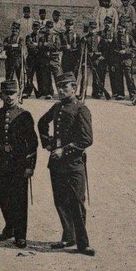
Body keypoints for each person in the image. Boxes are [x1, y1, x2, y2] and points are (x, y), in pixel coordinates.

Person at [38, 72, 94, 256]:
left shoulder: (81, 109)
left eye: (64, 87)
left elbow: (86, 140)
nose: (60, 91)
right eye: (58, 87)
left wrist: (64, 149)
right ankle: (68, 236)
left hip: (73, 164)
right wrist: (47, 142)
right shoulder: (57, 107)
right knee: (60, 201)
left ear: (74, 88)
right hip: (56, 164)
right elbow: (41, 123)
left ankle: (82, 243)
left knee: (77, 202)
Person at [0, 80, 37, 249]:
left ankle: (20, 235)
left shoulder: (25, 116)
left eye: (13, 93)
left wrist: (30, 166)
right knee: (4, 199)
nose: (10, 97)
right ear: (1, 95)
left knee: (19, 201)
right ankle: (9, 228)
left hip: (18, 164)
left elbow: (33, 143)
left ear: (18, 94)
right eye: (6, 93)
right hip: (0, 163)